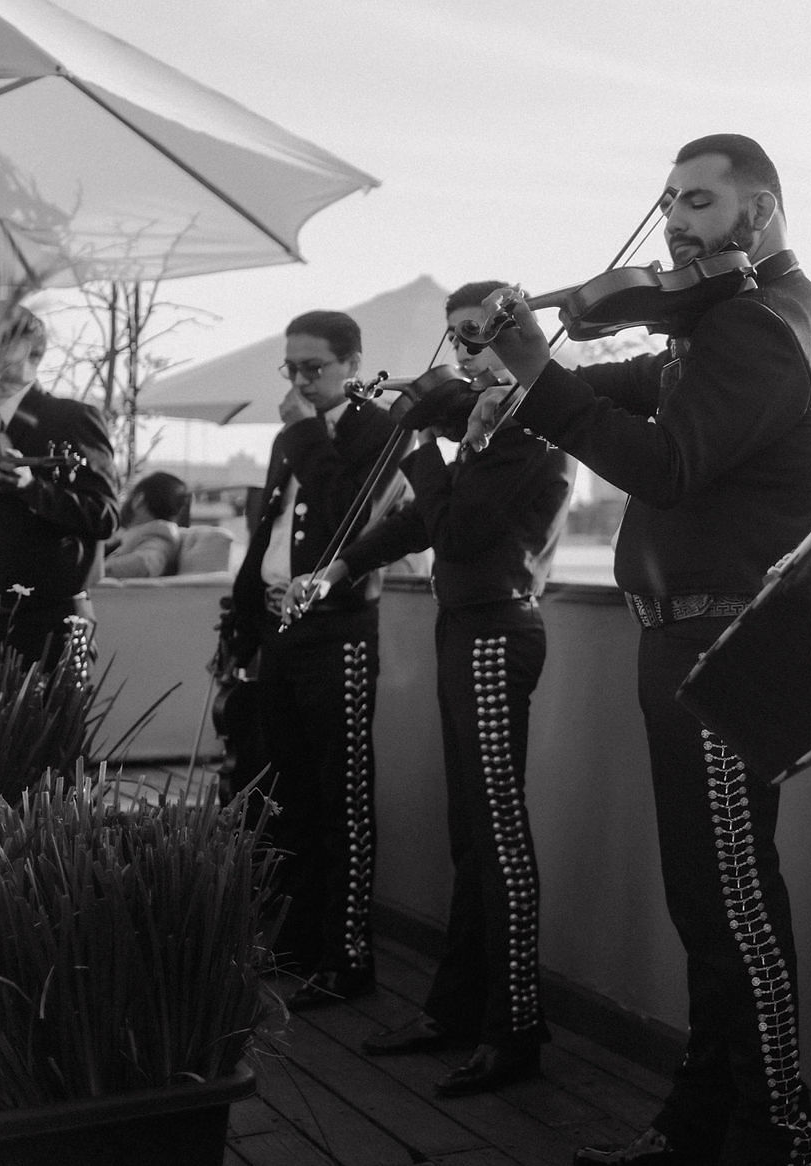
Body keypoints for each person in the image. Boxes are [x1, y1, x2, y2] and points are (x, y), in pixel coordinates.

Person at [482, 135, 811, 1166]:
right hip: (690, 633)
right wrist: (529, 361)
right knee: (706, 900)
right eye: (668, 201)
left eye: (696, 200)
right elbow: (638, 382)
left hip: (723, 641)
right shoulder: (722, 322)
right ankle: (699, 1122)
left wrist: (535, 371)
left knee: (731, 900)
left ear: (758, 214)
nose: (675, 222)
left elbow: (668, 463)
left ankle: (776, 1132)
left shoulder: (765, 328)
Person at [303, 281, 574, 1098]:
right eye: (455, 337)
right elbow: (425, 523)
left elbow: (456, 526)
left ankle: (516, 1027)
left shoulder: (533, 427)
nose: (462, 350)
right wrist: (343, 563)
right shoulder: (485, 428)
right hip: (465, 630)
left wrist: (419, 436)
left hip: (498, 634)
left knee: (497, 838)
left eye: (478, 334)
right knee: (470, 835)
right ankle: (456, 1009)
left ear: (516, 337)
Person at [221, 309, 402, 1008]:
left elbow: (348, 524)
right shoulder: (287, 438)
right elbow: (266, 532)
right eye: (290, 368)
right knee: (286, 792)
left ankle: (347, 956)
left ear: (354, 365)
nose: (298, 381)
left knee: (342, 799)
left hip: (340, 632)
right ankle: (296, 940)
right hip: (278, 633)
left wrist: (303, 433)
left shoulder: (380, 432)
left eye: (313, 369)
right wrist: (240, 625)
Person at [0, 301, 117, 668]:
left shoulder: (70, 419)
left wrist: (31, 488)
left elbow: (104, 516)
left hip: (38, 627)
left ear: (22, 349)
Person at [104, 471, 193, 578]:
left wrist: (88, 570)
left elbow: (146, 564)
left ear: (139, 500)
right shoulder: (143, 537)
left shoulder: (159, 540)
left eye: (128, 497)